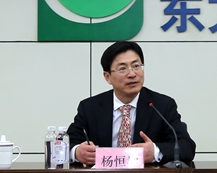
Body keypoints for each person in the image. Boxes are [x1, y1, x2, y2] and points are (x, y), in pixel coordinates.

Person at [67, 41, 195, 166]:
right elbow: (66, 144)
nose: (132, 74)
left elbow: (186, 147)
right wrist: (76, 152)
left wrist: (155, 152)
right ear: (107, 77)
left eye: (136, 66)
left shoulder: (162, 105)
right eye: (122, 68)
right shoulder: (90, 107)